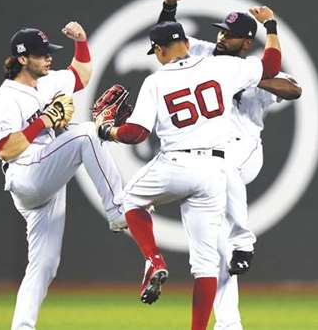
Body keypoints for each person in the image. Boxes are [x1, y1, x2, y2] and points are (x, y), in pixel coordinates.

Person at [96, 21, 280, 330]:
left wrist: (107, 130)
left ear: (159, 49)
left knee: (128, 201)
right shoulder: (221, 66)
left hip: (176, 163)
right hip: (214, 172)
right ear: (184, 41)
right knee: (206, 264)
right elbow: (271, 65)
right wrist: (271, 28)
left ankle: (153, 259)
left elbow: (136, 134)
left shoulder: (156, 81)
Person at [157, 0, 302, 330]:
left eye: (231, 35)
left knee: (220, 171)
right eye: (222, 32)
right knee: (212, 241)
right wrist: (170, 6)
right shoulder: (205, 53)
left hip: (244, 148)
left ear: (246, 43)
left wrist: (250, 78)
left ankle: (243, 240)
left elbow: (294, 89)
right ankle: (229, 322)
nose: (223, 38)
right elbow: (168, 40)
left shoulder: (252, 67)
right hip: (207, 149)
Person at [0, 23, 127, 330]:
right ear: (22, 59)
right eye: (41, 55)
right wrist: (44, 121)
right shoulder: (7, 97)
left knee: (44, 266)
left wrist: (81, 42)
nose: (48, 59)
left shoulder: (50, 81)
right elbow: (6, 150)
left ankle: (21, 327)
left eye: (49, 53)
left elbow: (81, 75)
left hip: (47, 180)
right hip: (25, 172)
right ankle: (118, 210)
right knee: (86, 134)